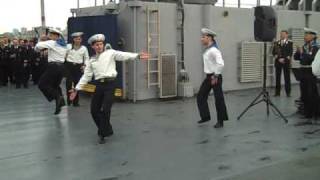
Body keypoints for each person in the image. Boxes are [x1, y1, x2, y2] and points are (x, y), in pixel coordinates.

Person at [69, 34, 149, 144]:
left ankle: (102, 133)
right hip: (98, 85)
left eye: (101, 44)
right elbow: (86, 76)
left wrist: (137, 56)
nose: (99, 46)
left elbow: (123, 55)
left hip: (110, 85)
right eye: (96, 45)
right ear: (93, 47)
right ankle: (107, 129)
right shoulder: (91, 60)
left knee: (105, 109)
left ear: (103, 44)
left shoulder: (110, 53)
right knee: (94, 111)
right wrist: (76, 89)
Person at [197, 28, 228, 128]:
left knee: (218, 99)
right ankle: (205, 116)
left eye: (203, 37)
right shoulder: (209, 49)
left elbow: (221, 64)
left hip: (215, 77)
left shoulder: (214, 50)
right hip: (209, 77)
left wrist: (215, 76)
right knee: (201, 96)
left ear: (209, 38)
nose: (201, 39)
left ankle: (221, 121)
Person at [35, 29, 68, 115]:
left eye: (51, 35)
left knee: (42, 84)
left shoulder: (52, 43)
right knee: (55, 86)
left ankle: (58, 97)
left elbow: (37, 47)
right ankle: (60, 102)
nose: (49, 36)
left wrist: (41, 39)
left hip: (53, 67)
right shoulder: (64, 44)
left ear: (56, 36)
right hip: (61, 68)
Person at [294, 28, 319, 119]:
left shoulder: (316, 47)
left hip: (311, 72)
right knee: (304, 93)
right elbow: (296, 58)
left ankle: (314, 113)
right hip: (303, 71)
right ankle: (307, 112)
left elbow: (312, 59)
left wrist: (302, 53)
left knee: (311, 93)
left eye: (307, 35)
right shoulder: (304, 46)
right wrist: (298, 52)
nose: (305, 37)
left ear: (312, 36)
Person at [65, 32, 89, 106]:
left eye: (79, 39)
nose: (77, 40)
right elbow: (63, 55)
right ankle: (69, 99)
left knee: (77, 84)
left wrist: (85, 65)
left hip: (78, 67)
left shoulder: (84, 48)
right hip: (69, 66)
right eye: (76, 39)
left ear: (81, 40)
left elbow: (86, 58)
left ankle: (76, 102)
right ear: (73, 39)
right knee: (68, 84)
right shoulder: (68, 46)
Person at [272, 30, 293, 97]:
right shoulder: (277, 43)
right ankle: (277, 93)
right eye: (281, 34)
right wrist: (279, 59)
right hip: (278, 62)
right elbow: (274, 52)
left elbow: (290, 53)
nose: (282, 35)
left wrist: (284, 59)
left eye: (283, 34)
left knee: (287, 78)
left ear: (287, 35)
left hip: (286, 62)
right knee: (277, 78)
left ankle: (288, 92)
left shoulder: (290, 43)